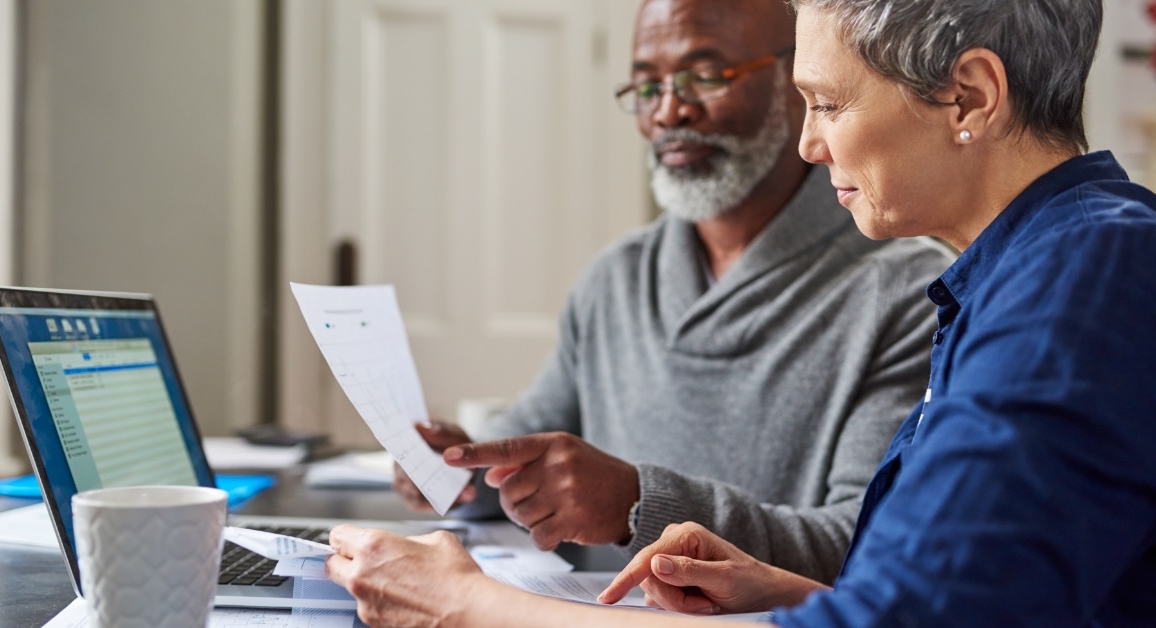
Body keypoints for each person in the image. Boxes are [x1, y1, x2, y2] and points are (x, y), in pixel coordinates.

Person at [325, 0, 1156, 625]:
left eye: (828, 103)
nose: (809, 142)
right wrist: (785, 591)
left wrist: (470, 606)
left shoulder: (1082, 275)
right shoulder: (1020, 275)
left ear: (970, 97)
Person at [392, 0, 952, 584]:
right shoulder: (617, 277)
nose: (668, 111)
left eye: (705, 76)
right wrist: (467, 470)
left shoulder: (906, 292)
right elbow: (535, 448)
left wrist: (639, 505)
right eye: (646, 84)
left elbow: (865, 540)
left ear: (798, 83)